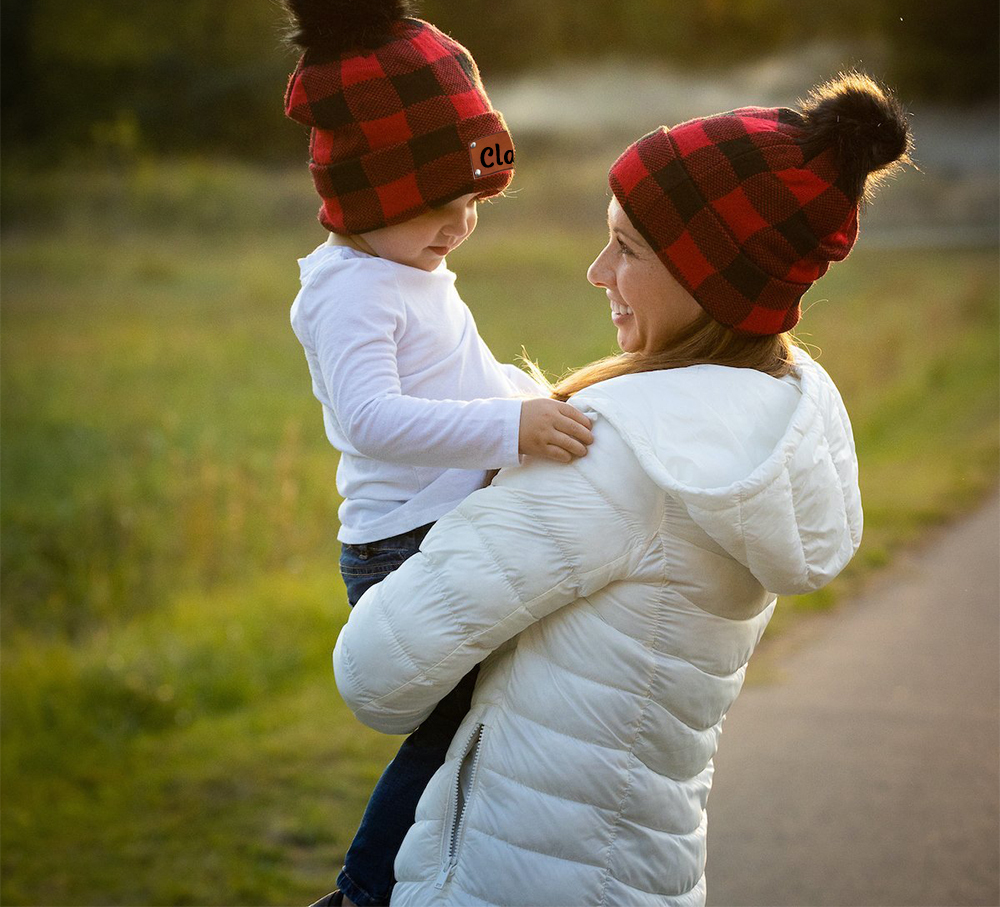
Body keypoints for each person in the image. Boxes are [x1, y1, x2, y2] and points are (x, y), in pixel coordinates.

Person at [330, 73, 912, 906]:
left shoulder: (615, 455)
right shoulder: (762, 433)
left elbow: (375, 675)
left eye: (629, 248)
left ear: (707, 280)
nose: (597, 270)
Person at [280, 0, 595, 907]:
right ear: (366, 196)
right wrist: (511, 429)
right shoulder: (350, 293)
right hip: (401, 547)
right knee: (456, 728)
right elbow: (370, 421)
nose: (459, 225)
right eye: (436, 205)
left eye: (471, 201)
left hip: (442, 526)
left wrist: (547, 395)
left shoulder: (407, 265)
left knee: (505, 714)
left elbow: (460, 373)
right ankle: (367, 890)